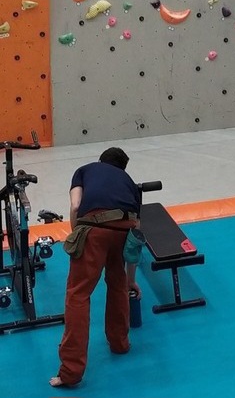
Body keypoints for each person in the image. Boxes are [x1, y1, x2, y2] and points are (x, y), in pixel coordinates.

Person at [51, 147, 142, 389]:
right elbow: (136, 237)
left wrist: (77, 236)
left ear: (101, 161)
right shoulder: (130, 183)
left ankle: (70, 372)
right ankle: (120, 343)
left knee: (78, 295)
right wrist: (131, 280)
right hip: (124, 230)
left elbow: (75, 205)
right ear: (122, 168)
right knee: (118, 285)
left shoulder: (84, 170)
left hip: (94, 228)